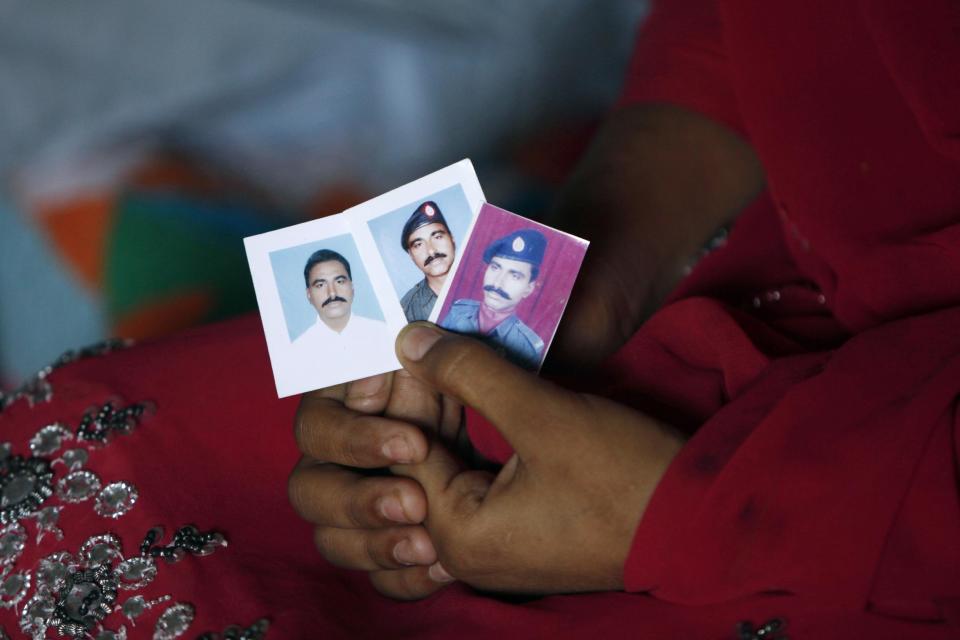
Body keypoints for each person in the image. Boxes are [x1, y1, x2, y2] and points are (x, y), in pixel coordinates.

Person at [287, 1, 960, 637]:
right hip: (736, 278)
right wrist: (585, 285)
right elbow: (760, 36)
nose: (433, 253)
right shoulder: (445, 316)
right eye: (420, 249)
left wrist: (691, 516)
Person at [282, 248, 392, 388]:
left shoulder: (384, 333)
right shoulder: (296, 354)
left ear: (352, 288)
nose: (332, 293)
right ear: (309, 295)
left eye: (339, 281)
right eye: (320, 285)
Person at [439, 229, 545, 370]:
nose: (497, 284)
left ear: (529, 288)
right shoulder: (458, 311)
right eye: (495, 268)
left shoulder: (527, 347)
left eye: (515, 276)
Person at [398, 201, 456, 322]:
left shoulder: (490, 280)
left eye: (437, 237)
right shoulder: (407, 311)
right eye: (418, 244)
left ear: (452, 239)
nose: (431, 251)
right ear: (411, 255)